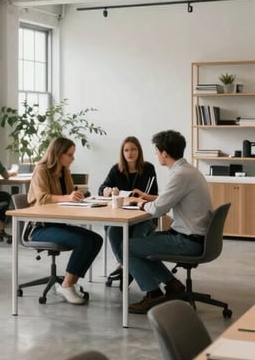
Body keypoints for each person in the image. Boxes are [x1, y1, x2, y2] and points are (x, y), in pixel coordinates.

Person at [117, 130, 213, 314]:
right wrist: (150, 197)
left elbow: (157, 210)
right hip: (194, 236)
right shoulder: (189, 171)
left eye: (156, 151)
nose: (156, 154)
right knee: (143, 244)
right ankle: (171, 284)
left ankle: (153, 294)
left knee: (128, 247)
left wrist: (141, 202)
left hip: (188, 241)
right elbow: (170, 199)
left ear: (164, 153)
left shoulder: (179, 175)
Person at [26, 137, 103, 305]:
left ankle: (70, 283)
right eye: (70, 155)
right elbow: (42, 198)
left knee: (96, 239)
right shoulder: (41, 170)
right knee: (83, 241)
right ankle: (66, 285)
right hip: (40, 228)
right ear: (58, 154)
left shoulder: (65, 171)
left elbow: (68, 196)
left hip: (58, 223)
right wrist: (68, 196)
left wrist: (77, 197)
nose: (73, 159)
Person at [98, 136, 158, 284]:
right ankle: (126, 265)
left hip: (143, 217)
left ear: (139, 151)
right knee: (112, 230)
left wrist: (142, 197)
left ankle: (125, 267)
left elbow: (155, 196)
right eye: (126, 150)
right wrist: (107, 191)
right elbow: (102, 188)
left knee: (136, 239)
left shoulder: (148, 168)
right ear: (122, 152)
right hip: (120, 216)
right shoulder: (116, 169)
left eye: (133, 149)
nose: (129, 153)